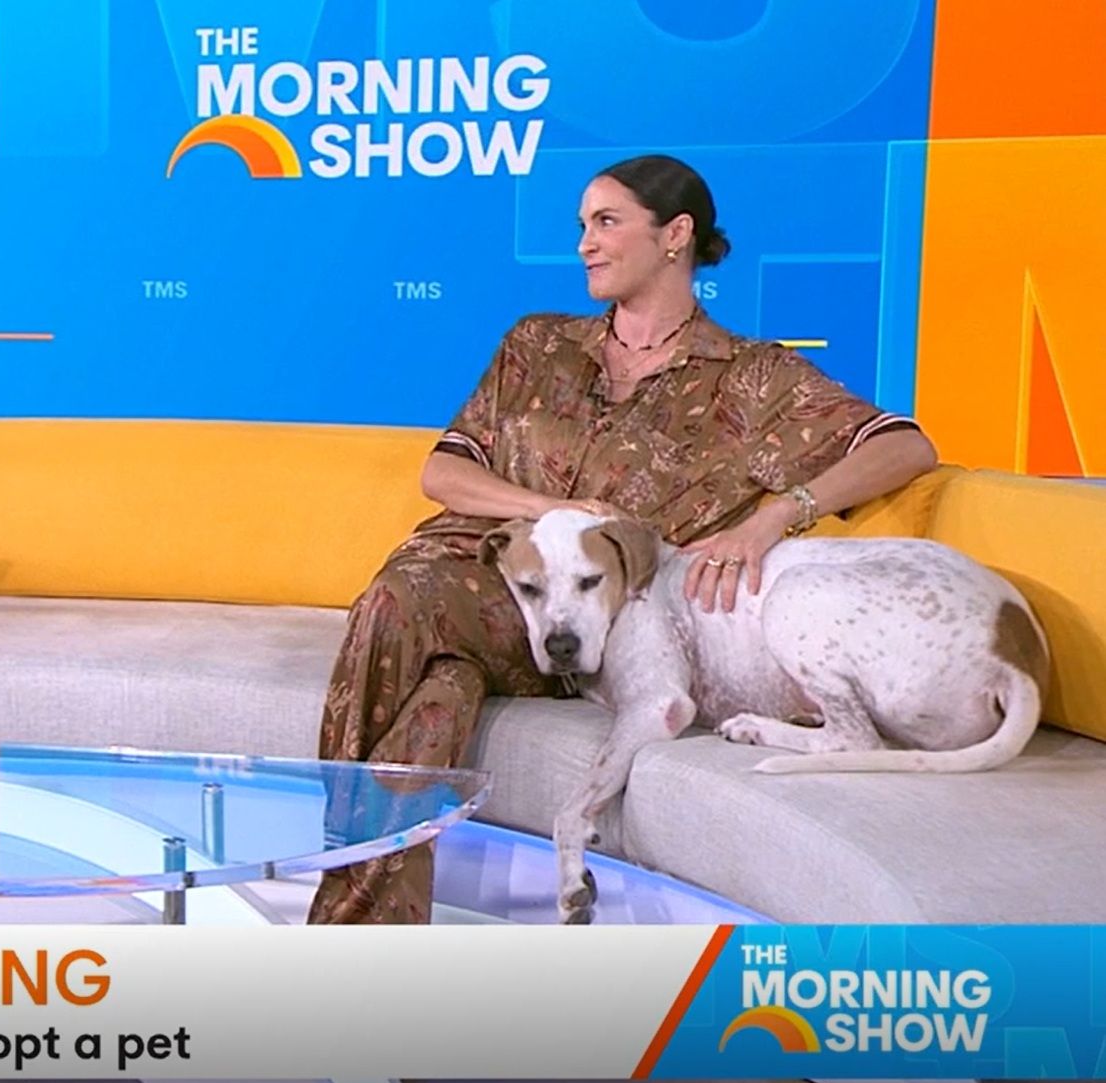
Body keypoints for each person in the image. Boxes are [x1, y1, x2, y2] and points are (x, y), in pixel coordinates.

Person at [308, 154, 940, 925]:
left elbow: (905, 447)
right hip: (473, 574)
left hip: (584, 620)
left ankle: (331, 895)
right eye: (581, 225)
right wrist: (556, 509)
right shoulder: (538, 344)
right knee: (438, 692)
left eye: (606, 222)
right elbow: (444, 472)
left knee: (401, 602)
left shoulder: (752, 379)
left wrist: (777, 513)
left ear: (675, 235)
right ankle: (360, 938)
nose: (585, 242)